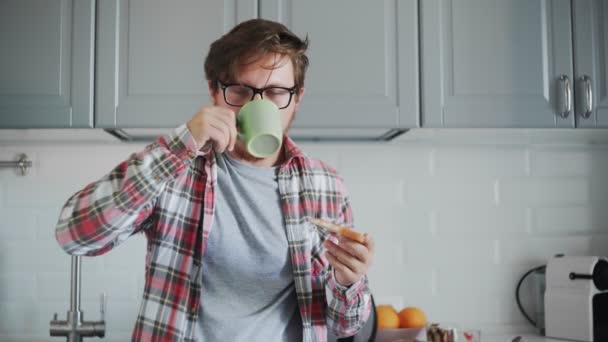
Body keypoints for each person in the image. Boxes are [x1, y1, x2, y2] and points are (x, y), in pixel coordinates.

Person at [55, 18, 374, 342]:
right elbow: (74, 235)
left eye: (276, 92)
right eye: (240, 90)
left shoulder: (325, 185)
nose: (257, 105)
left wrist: (349, 282)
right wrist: (181, 144)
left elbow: (345, 326)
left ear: (297, 97)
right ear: (214, 92)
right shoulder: (176, 170)